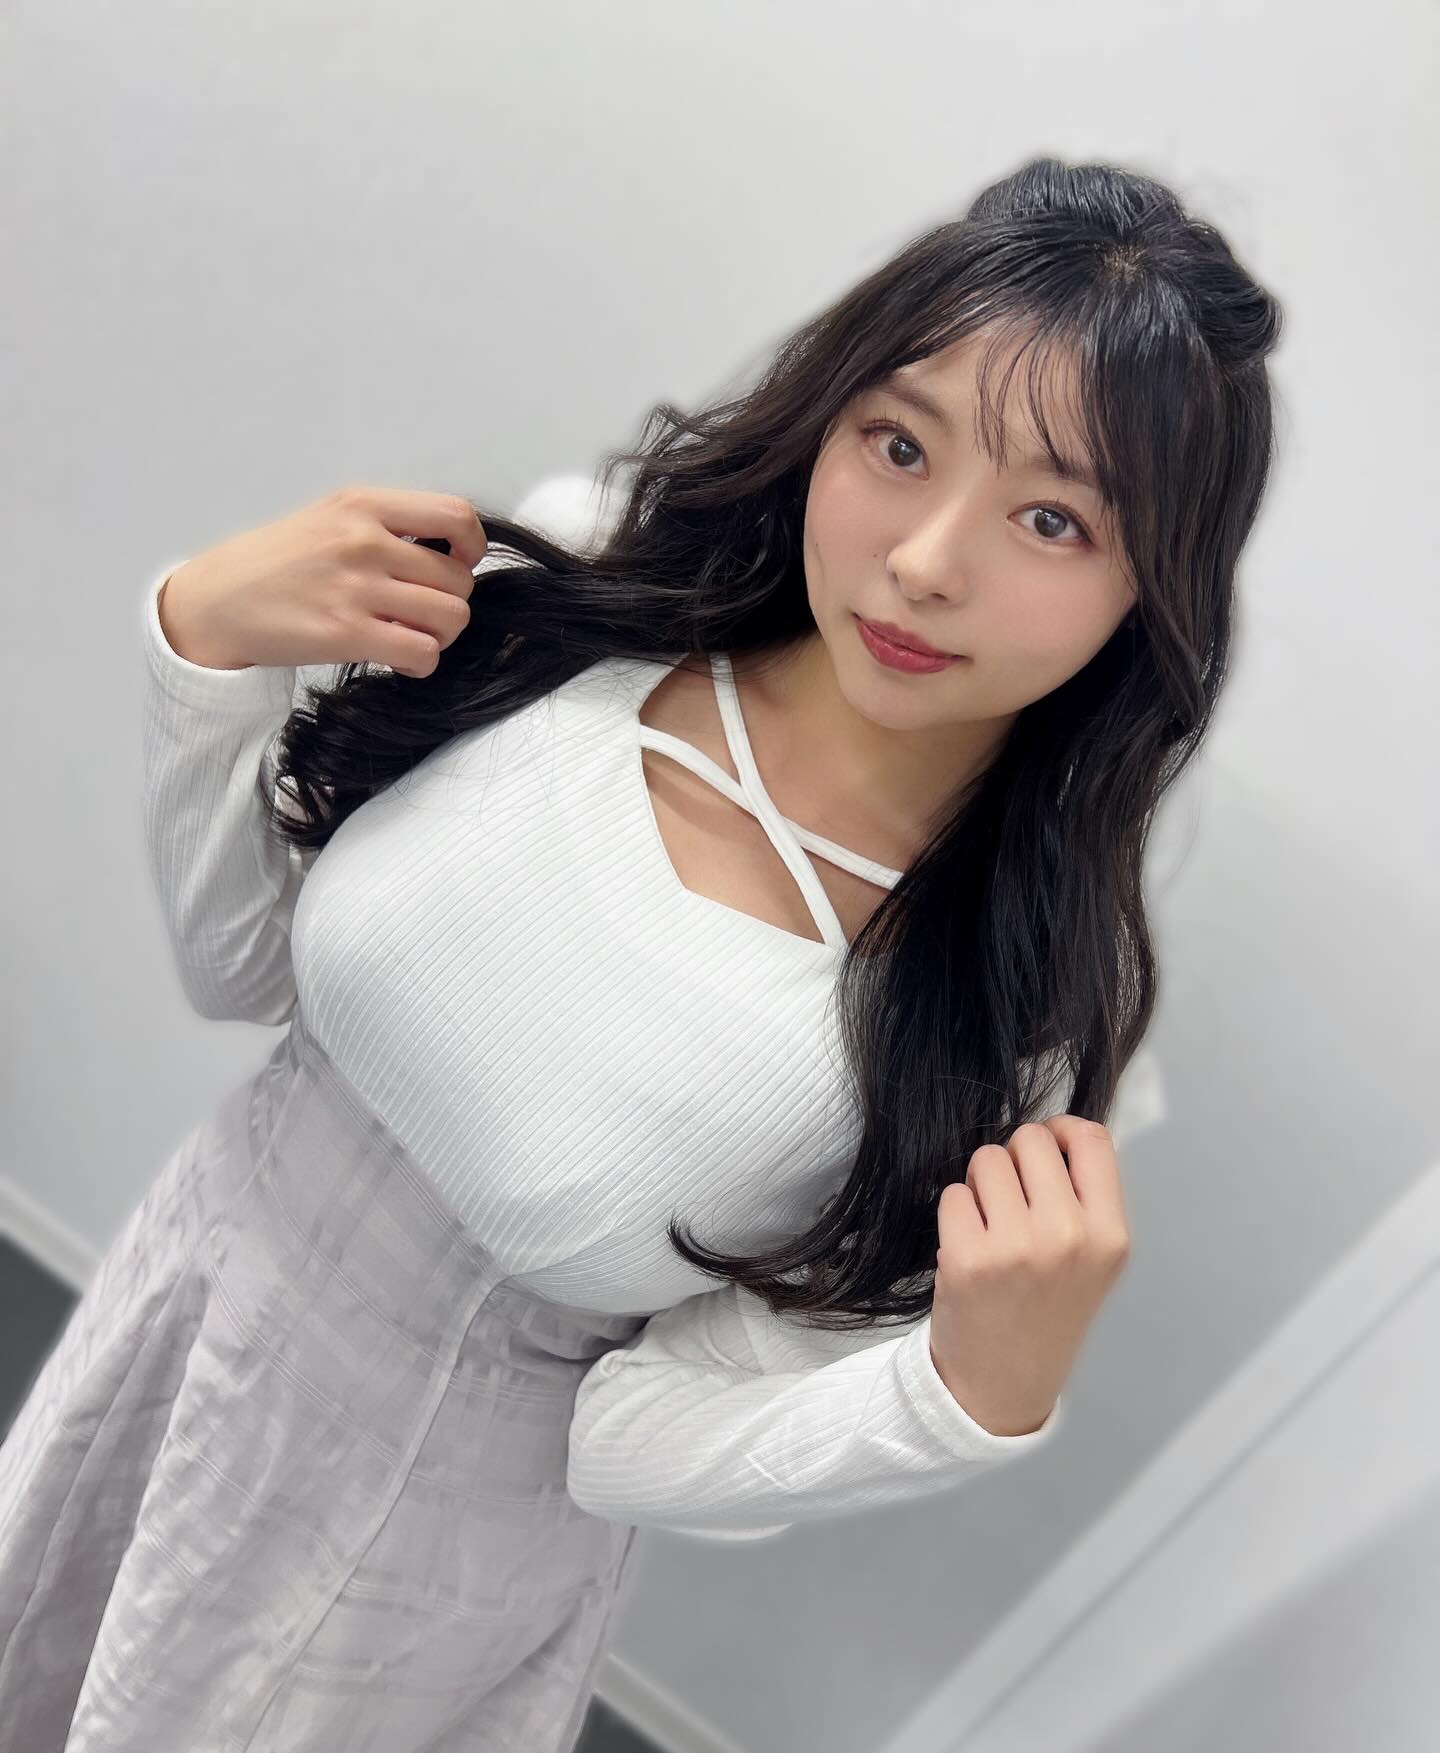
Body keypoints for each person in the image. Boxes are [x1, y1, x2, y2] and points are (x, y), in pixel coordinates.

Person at [0, 154, 1282, 1751]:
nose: (927, 559)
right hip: (182, 1306)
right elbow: (248, 969)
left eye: (1051, 517)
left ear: (1152, 592)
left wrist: (962, 1395)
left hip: (404, 1562)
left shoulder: (994, 1011)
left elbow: (625, 1446)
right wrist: (200, 649)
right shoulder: (590, 592)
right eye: (899, 443)